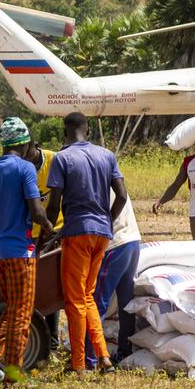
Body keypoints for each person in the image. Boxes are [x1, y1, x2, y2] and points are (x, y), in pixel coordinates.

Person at [0, 117, 52, 383]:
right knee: (22, 313)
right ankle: (14, 373)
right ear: (25, 142)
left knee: (12, 308)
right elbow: (36, 211)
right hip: (20, 252)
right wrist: (50, 228)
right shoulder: (25, 169)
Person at [46, 112, 127, 375]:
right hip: (102, 234)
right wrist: (106, 221)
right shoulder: (107, 155)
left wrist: (47, 234)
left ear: (65, 132)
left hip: (77, 233)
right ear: (88, 130)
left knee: (74, 300)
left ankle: (79, 364)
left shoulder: (62, 158)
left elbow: (54, 204)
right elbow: (122, 196)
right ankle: (103, 357)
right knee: (88, 296)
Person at [85, 191, 141, 369]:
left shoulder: (98, 180)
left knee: (97, 302)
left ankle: (90, 358)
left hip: (115, 245)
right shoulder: (112, 174)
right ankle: (124, 351)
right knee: (126, 303)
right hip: (132, 240)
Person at [24, 142, 63, 350]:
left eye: (27, 151)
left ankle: (53, 340)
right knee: (35, 287)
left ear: (35, 146)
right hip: (31, 235)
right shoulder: (22, 165)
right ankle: (41, 336)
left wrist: (54, 233)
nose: (24, 156)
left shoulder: (53, 160)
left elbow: (56, 202)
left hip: (54, 232)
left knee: (51, 285)